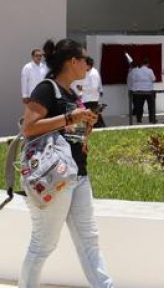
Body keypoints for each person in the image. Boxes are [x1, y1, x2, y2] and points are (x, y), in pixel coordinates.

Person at [20, 38, 113, 288]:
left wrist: (85, 125)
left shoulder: (72, 92)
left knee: (89, 241)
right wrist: (70, 117)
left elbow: (69, 131)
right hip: (55, 177)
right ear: (72, 61)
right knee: (43, 245)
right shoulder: (46, 89)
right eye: (84, 60)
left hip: (79, 174)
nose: (87, 65)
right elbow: (29, 127)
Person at [74, 57, 105, 128]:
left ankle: (101, 127)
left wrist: (82, 88)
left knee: (93, 116)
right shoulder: (89, 72)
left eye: (84, 64)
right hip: (87, 98)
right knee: (92, 116)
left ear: (89, 65)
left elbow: (94, 88)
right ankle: (98, 127)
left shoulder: (93, 74)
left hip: (91, 99)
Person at [129, 58, 157, 124]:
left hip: (139, 91)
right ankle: (152, 119)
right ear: (148, 64)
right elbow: (153, 79)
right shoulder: (150, 70)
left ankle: (139, 119)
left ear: (141, 64)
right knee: (151, 106)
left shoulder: (137, 71)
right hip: (149, 91)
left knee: (139, 106)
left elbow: (133, 79)